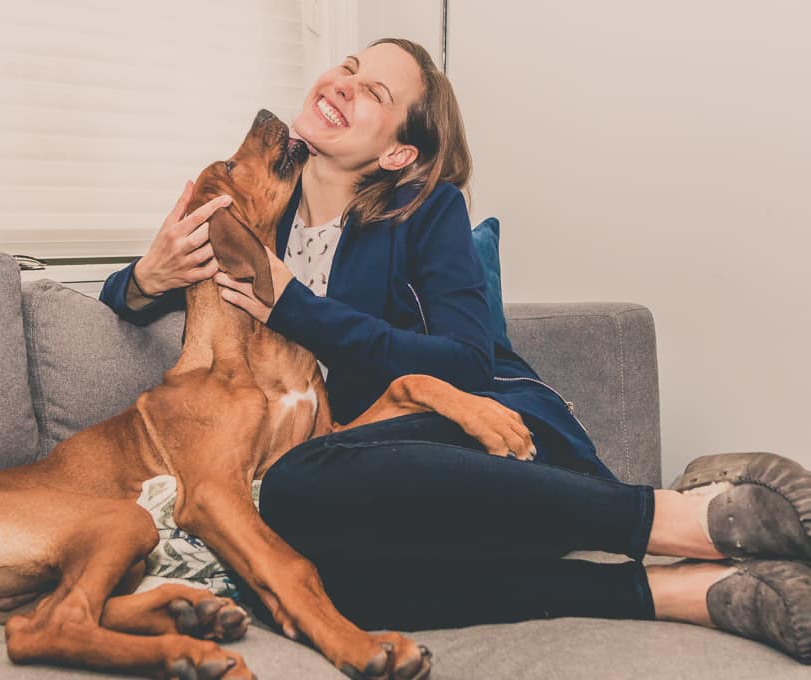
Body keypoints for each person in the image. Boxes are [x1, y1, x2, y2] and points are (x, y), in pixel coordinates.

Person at [100, 39, 811, 662]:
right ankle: (682, 593)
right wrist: (146, 278)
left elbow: (467, 362)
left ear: (397, 151)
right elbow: (130, 301)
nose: (344, 82)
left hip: (485, 430)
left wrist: (296, 306)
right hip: (365, 481)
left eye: (374, 90)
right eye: (347, 67)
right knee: (325, 578)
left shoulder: (426, 211)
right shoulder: (263, 220)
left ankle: (680, 518)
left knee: (292, 486)